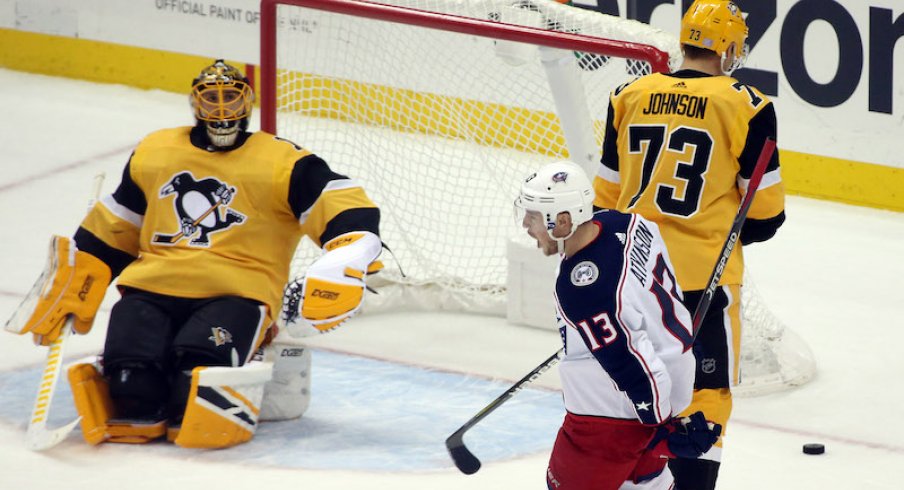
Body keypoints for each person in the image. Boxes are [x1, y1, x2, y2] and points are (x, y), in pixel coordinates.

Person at [6, 60, 382, 448]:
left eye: (231, 97)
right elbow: (117, 225)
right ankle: (145, 392)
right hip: (151, 287)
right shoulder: (156, 151)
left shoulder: (282, 162)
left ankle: (233, 372)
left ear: (246, 102)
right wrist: (82, 274)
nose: (221, 108)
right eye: (212, 98)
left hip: (239, 291)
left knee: (196, 373)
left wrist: (351, 248)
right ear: (195, 104)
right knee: (132, 381)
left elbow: (339, 201)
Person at [591, 1, 786, 488]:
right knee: (707, 391)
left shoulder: (628, 94)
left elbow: (605, 201)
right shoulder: (749, 105)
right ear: (724, 47)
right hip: (704, 278)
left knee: (642, 381)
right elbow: (766, 217)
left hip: (634, 274)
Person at [515, 161, 722, 490]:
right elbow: (644, 304)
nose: (526, 225)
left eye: (534, 216)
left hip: (612, 416)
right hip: (672, 379)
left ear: (563, 221)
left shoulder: (585, 291)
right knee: (645, 483)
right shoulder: (627, 222)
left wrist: (657, 429)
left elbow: (633, 368)